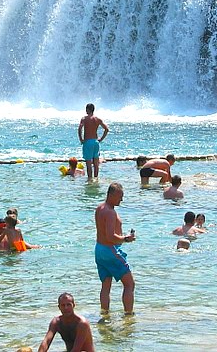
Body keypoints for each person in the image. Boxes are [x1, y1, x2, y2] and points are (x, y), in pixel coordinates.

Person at [94, 182, 136, 315]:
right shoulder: (110, 212)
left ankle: (105, 313)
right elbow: (111, 236)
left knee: (106, 285)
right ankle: (128, 315)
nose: (121, 200)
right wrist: (125, 238)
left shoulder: (100, 208)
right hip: (110, 250)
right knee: (129, 284)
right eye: (119, 196)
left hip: (99, 250)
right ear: (111, 195)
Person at [78, 104, 110, 180]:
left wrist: (81, 139)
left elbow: (80, 129)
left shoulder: (84, 119)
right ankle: (96, 178)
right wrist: (101, 139)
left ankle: (90, 179)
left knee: (88, 163)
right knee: (96, 163)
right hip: (96, 142)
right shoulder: (98, 119)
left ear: (88, 110)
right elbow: (106, 129)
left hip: (88, 142)